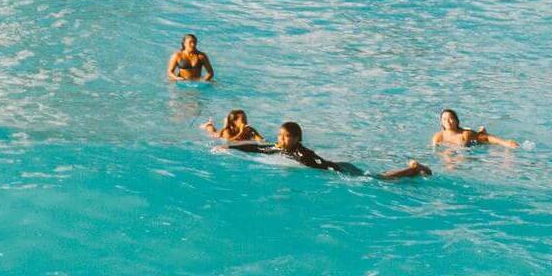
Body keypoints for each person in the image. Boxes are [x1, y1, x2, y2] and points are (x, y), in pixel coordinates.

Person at [273, 120, 431, 181]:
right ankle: (413, 171)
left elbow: (317, 164)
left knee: (380, 179)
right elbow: (265, 148)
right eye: (280, 135)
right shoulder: (288, 149)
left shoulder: (302, 153)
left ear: (296, 138)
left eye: (286, 136)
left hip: (340, 168)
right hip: (338, 165)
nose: (281, 139)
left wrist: (335, 173)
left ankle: (415, 168)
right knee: (379, 177)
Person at [432, 108, 517, 150]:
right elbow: (433, 150)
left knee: (481, 137)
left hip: (472, 145)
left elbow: (487, 138)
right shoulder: (438, 137)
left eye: (450, 118)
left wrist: (505, 143)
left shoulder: (465, 134)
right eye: (444, 119)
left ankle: (481, 131)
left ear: (457, 121)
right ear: (441, 123)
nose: (447, 121)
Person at [202, 108, 267, 148]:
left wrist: (254, 133)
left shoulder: (250, 130)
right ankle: (209, 125)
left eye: (245, 118)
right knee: (213, 131)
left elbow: (262, 141)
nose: (245, 121)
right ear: (234, 122)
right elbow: (228, 142)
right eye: (243, 120)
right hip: (219, 136)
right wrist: (240, 133)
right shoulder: (227, 131)